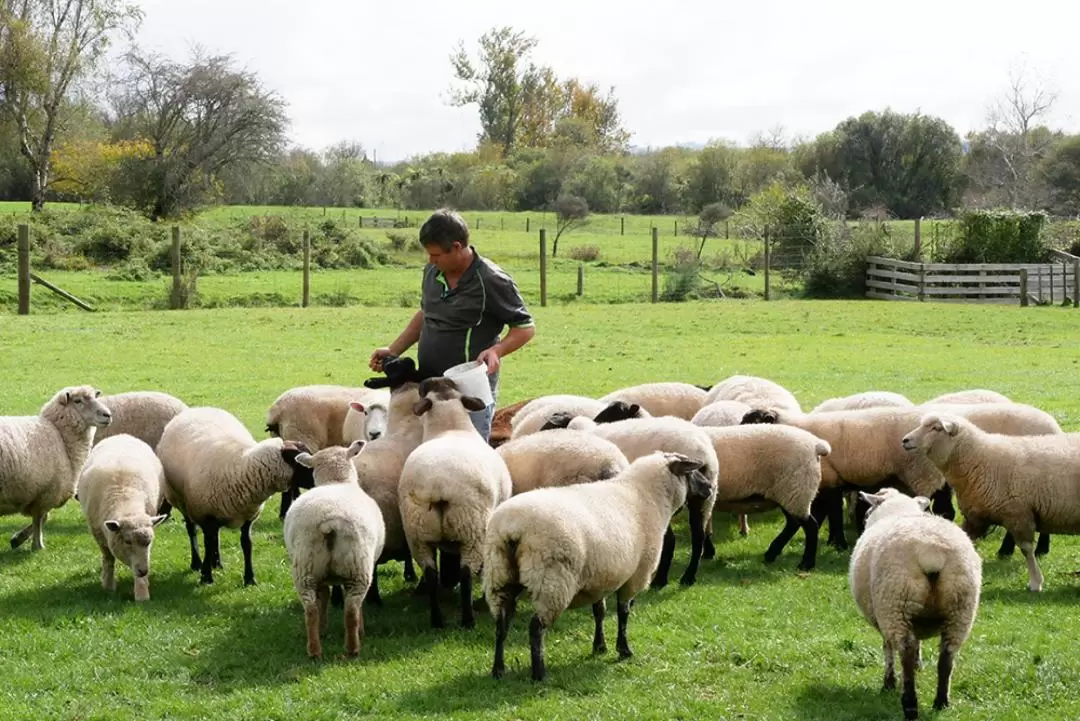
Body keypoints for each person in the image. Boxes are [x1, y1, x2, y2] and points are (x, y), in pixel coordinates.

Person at [369, 208, 535, 441]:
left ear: (457, 247)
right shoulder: (432, 272)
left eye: (436, 255)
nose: (430, 261)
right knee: (428, 448)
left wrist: (497, 350)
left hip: (468, 389)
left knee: (468, 450)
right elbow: (426, 314)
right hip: (429, 385)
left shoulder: (491, 280)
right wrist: (394, 349)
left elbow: (525, 327)